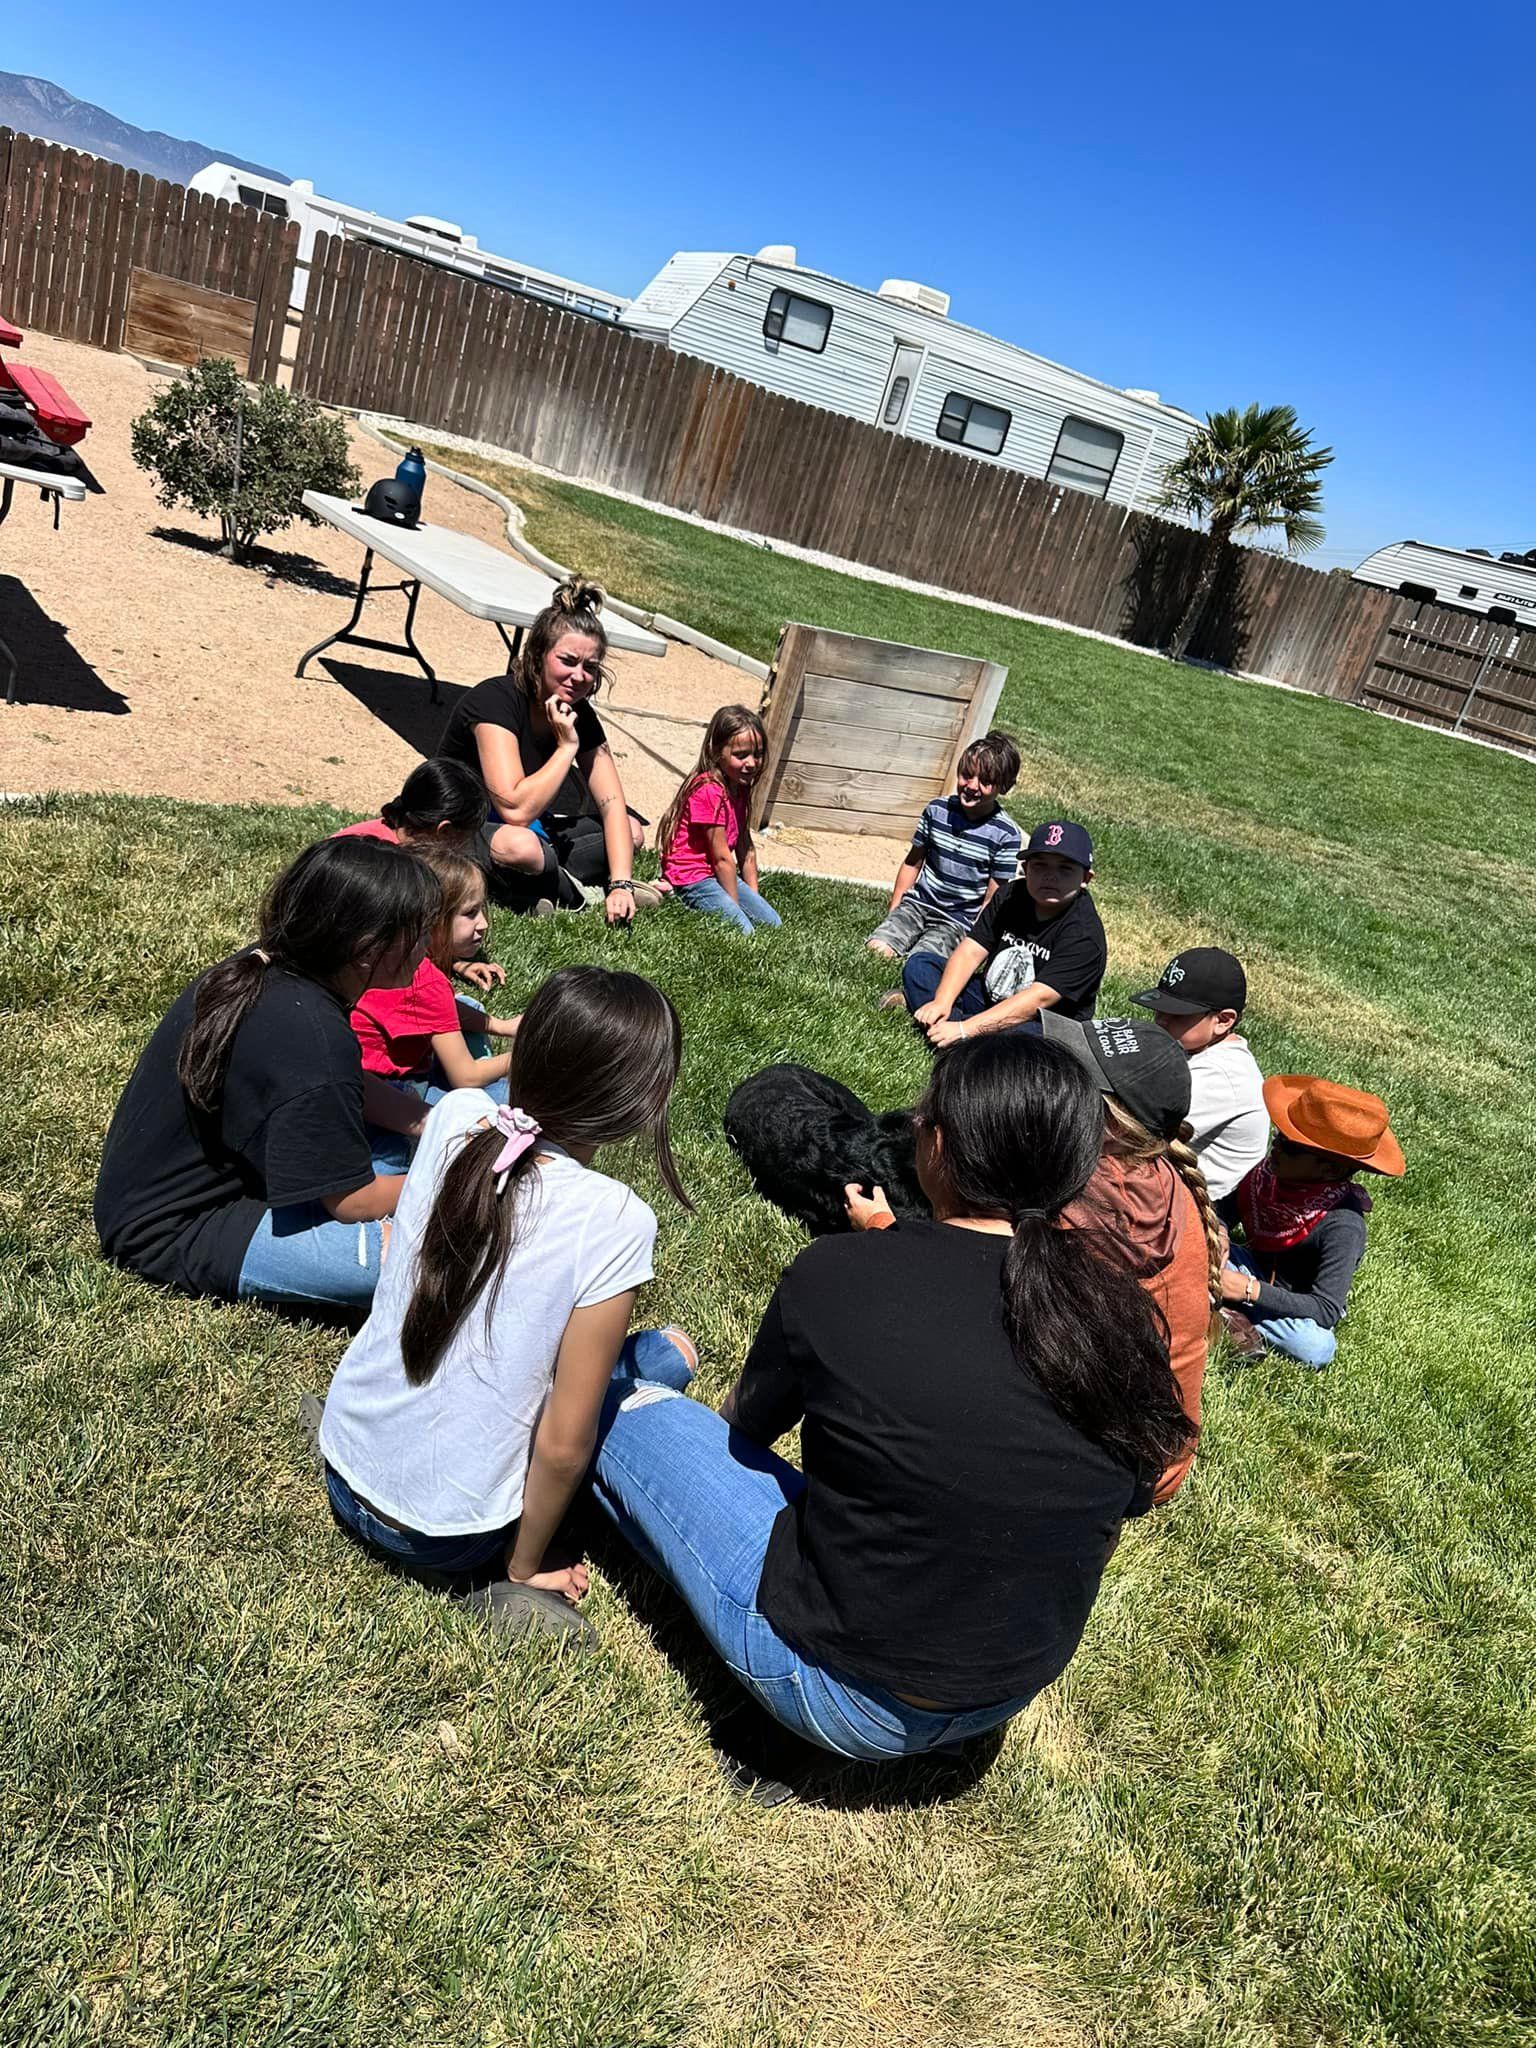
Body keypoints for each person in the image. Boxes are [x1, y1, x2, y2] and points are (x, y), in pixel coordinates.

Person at [587, 1034, 1193, 1762]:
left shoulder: (840, 1273)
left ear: (938, 1147)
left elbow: (743, 1433)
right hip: (1003, 1691)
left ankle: (641, 1381)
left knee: (607, 1405)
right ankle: (651, 1374)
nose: (910, 1124)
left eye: (923, 1115)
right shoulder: (1120, 1316)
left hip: (838, 1690)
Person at [317, 967, 689, 1635]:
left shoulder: (458, 1116)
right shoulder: (615, 1219)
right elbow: (563, 1443)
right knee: (658, 1364)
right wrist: (523, 1567)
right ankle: (501, 1589)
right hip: (439, 1533)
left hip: (342, 1461)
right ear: (643, 1100)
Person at [95, 838, 438, 1314]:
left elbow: (345, 1088)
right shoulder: (313, 1035)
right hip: (179, 1228)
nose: (427, 944)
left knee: (413, 1129)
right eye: (419, 931)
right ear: (365, 949)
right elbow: (353, 1203)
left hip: (159, 1193)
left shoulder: (270, 966)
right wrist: (455, 1178)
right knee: (436, 1264)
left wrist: (433, 1121)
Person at [1040, 1013, 1220, 1502]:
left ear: (1111, 1121)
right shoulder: (1165, 1179)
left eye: (1072, 1076)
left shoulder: (1080, 1205)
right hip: (1159, 1454)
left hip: (1113, 1468)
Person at [435, 577, 655, 923]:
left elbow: (612, 804)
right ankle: (557, 888)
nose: (579, 676)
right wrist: (567, 746)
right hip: (460, 829)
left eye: (591, 667)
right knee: (521, 847)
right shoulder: (495, 701)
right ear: (538, 656)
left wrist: (621, 883)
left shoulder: (580, 714)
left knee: (630, 831)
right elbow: (515, 809)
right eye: (567, 661)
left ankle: (544, 884)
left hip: (534, 830)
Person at [1217, 1076, 1404, 1369]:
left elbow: (1326, 1308)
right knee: (1192, 1232)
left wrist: (1248, 1290)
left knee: (1315, 1347)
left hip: (1286, 1303)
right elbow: (1222, 1212)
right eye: (1278, 1135)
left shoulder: (1344, 1225)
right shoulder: (1268, 1174)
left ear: (1331, 1168)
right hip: (1245, 1267)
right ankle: (1223, 1304)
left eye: (1290, 1147)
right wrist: (1218, 1231)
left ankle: (1221, 1304)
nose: (1275, 1147)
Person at [351, 843, 520, 1128]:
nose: (484, 924)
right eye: (470, 913)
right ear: (430, 920)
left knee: (467, 1007)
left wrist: (500, 1026)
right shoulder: (428, 983)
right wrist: (524, 1054)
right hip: (391, 1091)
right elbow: (466, 1076)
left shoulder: (387, 958)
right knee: (500, 1098)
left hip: (357, 1074)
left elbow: (439, 1011)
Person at [902, 819, 1106, 1047]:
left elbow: (1039, 998)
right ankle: (952, 1028)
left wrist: (965, 1029)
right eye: (1040, 865)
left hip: (1042, 1021)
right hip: (989, 997)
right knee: (920, 966)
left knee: (1031, 1042)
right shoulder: (1010, 896)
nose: (1050, 876)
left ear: (1085, 879)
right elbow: (971, 951)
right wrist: (942, 1000)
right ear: (1025, 869)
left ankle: (953, 1034)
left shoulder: (1084, 934)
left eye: (1065, 869)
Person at [331, 758, 505, 995]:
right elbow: (390, 950)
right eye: (467, 839)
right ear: (444, 831)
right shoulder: (394, 874)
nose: (467, 849)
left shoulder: (385, 831)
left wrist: (455, 962)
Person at [867, 730, 1021, 964]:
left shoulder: (1006, 835)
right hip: (917, 905)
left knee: (920, 964)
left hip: (957, 922)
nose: (971, 786)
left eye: (985, 781)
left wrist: (975, 942)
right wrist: (895, 908)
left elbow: (993, 897)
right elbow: (912, 862)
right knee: (877, 950)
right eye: (966, 775)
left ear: (1005, 787)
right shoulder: (937, 811)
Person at [1132, 948, 1268, 1200]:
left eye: (1178, 1014)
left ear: (1223, 1021)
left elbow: (1137, 1130)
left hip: (1201, 1207)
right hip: (1164, 1182)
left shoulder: (1222, 1077)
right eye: (1159, 1008)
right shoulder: (1188, 1045)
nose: (1161, 1020)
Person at [657, 705, 780, 935]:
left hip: (715, 873)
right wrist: (736, 908)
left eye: (758, 754)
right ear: (716, 752)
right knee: (743, 931)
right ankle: (674, 892)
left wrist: (753, 897)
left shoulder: (740, 787)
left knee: (773, 923)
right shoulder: (708, 791)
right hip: (692, 875)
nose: (752, 763)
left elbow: (745, 847)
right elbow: (722, 858)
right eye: (741, 755)